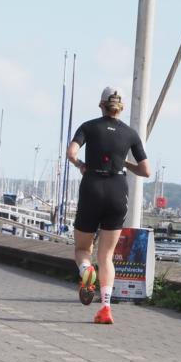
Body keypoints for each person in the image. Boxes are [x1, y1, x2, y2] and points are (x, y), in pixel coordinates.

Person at [66, 87, 151, 324]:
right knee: (107, 256)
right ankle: (105, 307)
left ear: (101, 104)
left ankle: (86, 271)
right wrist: (124, 163)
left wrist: (81, 165)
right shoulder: (131, 133)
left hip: (92, 186)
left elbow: (71, 153)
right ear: (120, 107)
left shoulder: (89, 126)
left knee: (83, 250)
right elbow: (146, 170)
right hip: (117, 189)